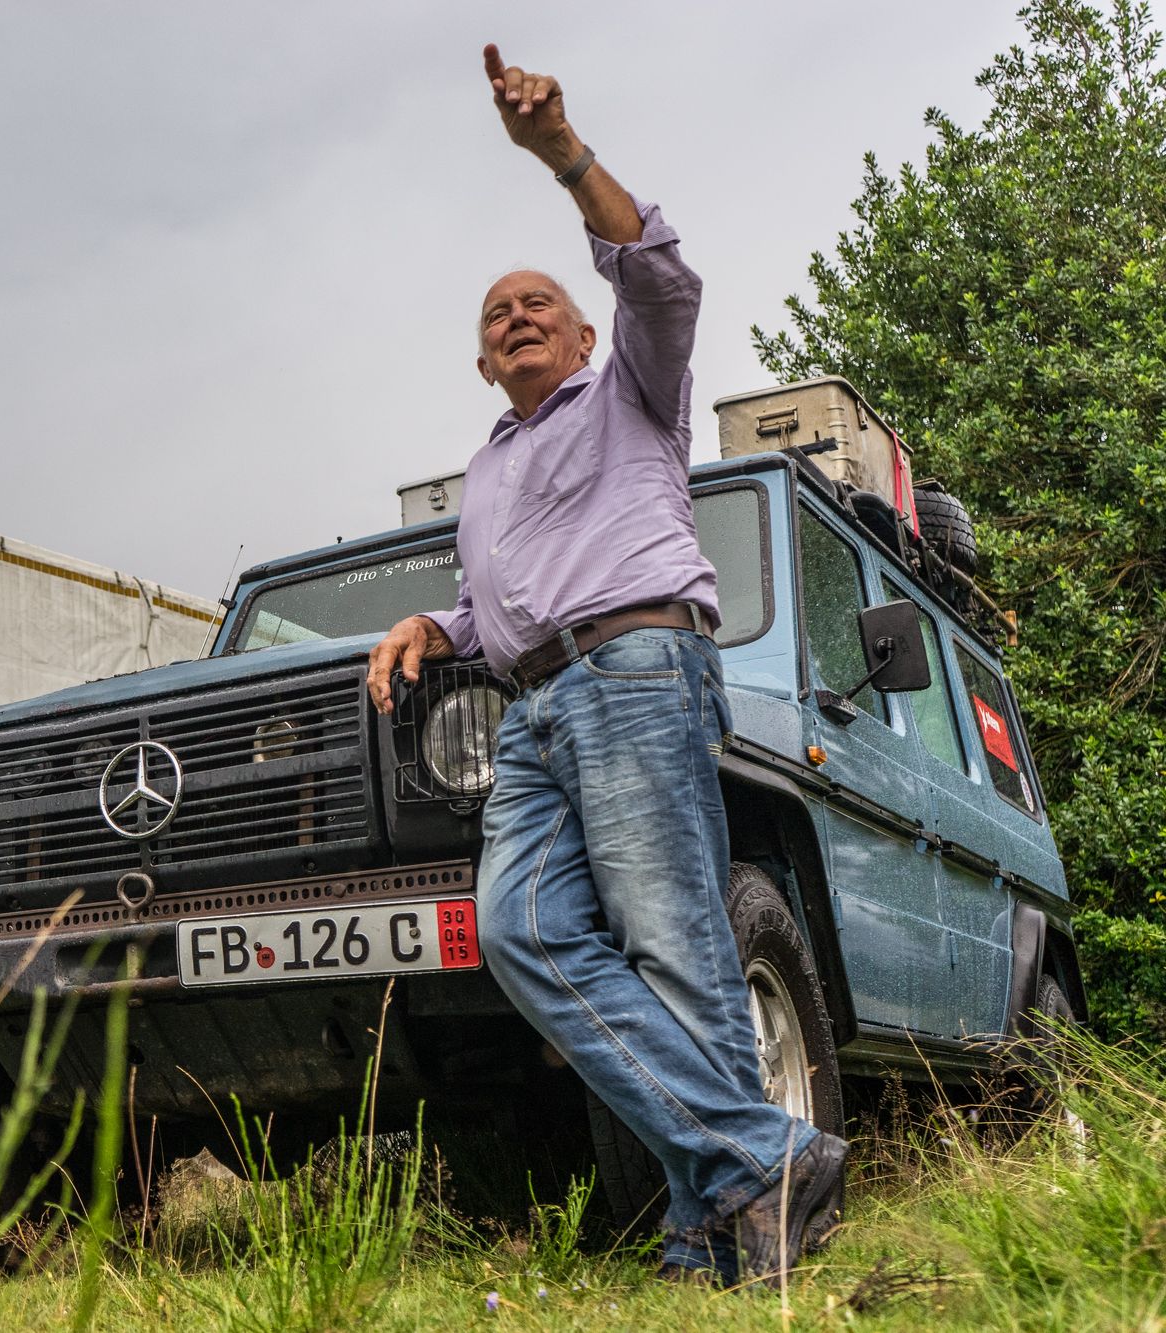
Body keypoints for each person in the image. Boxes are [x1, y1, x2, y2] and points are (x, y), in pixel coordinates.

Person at [365, 44, 846, 1288]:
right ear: (479, 363)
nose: (514, 316)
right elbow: (492, 599)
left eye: (536, 305)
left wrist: (561, 156)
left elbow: (661, 275)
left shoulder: (632, 389)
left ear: (582, 332)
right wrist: (434, 627)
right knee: (520, 932)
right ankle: (765, 1160)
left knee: (671, 946)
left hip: (634, 670)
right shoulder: (481, 472)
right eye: (493, 315)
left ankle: (713, 1233)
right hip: (529, 708)